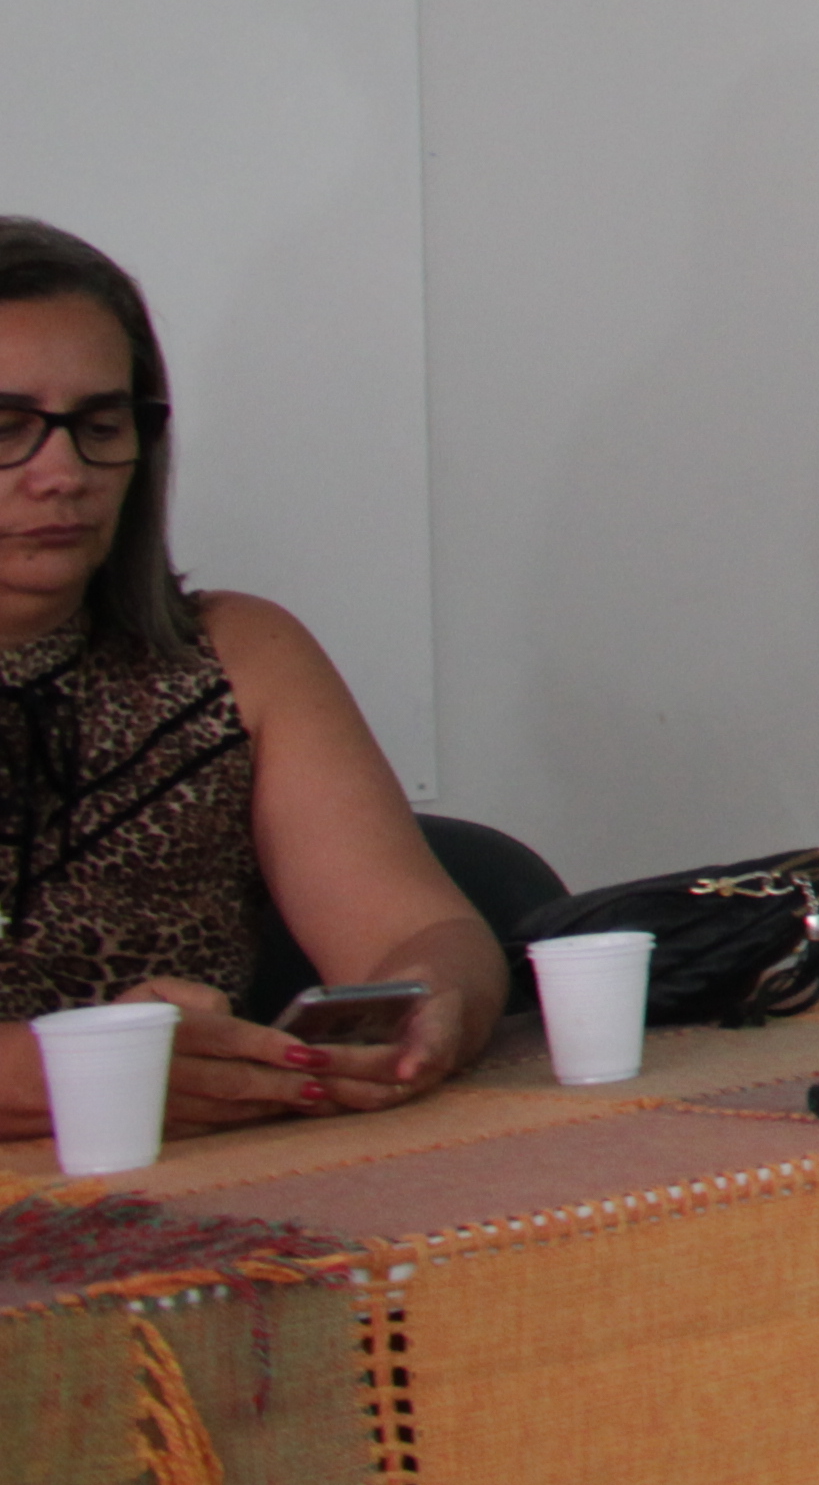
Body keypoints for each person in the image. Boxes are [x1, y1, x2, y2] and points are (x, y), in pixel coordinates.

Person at [0, 220, 507, 1139]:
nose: (62, 473)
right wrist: (71, 1072)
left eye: (101, 426)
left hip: (217, 1198)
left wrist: (435, 1006)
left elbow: (418, 933)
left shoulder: (236, 655)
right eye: (7, 430)